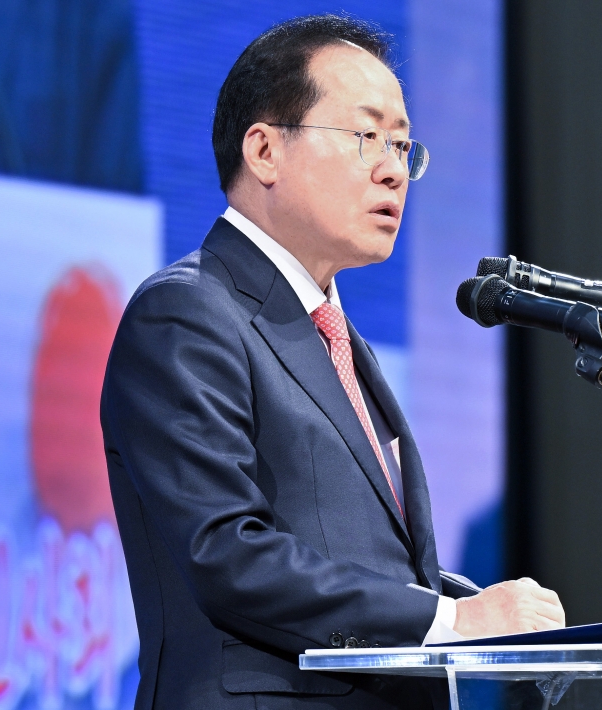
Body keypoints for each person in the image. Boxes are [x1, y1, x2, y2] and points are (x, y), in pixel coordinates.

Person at [100, 14, 566, 709]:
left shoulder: (340, 340)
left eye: (403, 145)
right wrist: (451, 620)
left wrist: (490, 611)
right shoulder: (186, 313)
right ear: (264, 151)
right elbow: (227, 552)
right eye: (365, 137)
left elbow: (366, 563)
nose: (393, 169)